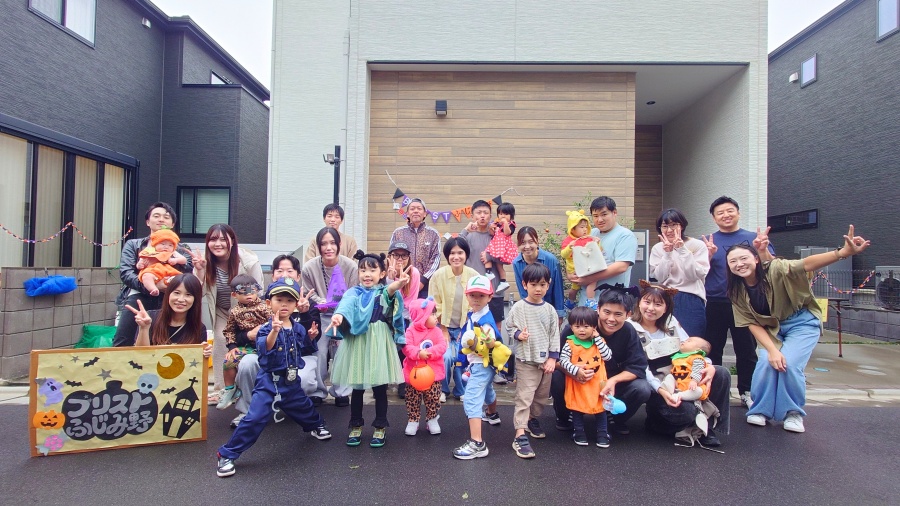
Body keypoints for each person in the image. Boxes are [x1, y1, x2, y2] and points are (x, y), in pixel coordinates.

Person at [727, 226, 869, 434]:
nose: (739, 264)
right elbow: (751, 323)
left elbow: (806, 264)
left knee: (790, 364)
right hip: (771, 328)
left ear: (756, 259)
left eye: (743, 258)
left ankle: (792, 413)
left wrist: (842, 253)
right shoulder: (736, 291)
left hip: (801, 322)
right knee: (766, 362)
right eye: (733, 261)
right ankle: (760, 410)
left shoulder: (775, 268)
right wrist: (772, 350)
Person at [215, 277, 332, 478]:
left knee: (303, 407)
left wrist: (311, 337)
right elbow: (264, 348)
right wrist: (274, 332)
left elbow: (305, 348)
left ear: (296, 305)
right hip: (269, 382)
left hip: (291, 381)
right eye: (279, 300)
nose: (284, 304)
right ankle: (227, 454)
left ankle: (315, 425)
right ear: (269, 303)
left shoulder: (298, 328)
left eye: (289, 300)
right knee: (255, 418)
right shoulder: (266, 328)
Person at [628, 281, 730, 448]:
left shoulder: (671, 322)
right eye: (647, 302)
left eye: (658, 304)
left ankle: (707, 428)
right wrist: (662, 390)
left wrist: (708, 366)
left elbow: (692, 348)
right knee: (687, 412)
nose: (651, 308)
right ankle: (659, 424)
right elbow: (640, 367)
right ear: (639, 302)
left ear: (666, 307)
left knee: (721, 373)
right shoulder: (630, 327)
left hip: (683, 378)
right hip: (658, 385)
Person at [227, 255, 319, 428]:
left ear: (298, 275)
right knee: (247, 363)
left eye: (290, 271)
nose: (284, 274)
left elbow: (312, 340)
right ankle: (248, 411)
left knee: (305, 380)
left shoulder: (308, 304)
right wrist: (248, 335)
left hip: (298, 357)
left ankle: (292, 408)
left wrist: (305, 314)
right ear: (272, 274)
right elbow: (237, 333)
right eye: (279, 270)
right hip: (267, 356)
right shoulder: (259, 303)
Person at [328, 251, 408, 448]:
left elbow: (390, 292)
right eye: (363, 270)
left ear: (382, 273)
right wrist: (338, 316)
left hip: (379, 341)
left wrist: (398, 284)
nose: (367, 274)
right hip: (358, 342)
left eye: (372, 270)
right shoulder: (353, 293)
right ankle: (356, 425)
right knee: (357, 387)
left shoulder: (382, 292)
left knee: (380, 388)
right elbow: (345, 305)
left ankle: (380, 426)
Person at [701, 196, 774, 409]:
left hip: (745, 302)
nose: (726, 215)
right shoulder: (707, 241)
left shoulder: (754, 238)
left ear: (738, 213)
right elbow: (698, 271)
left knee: (747, 349)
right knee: (713, 349)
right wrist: (707, 255)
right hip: (714, 302)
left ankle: (747, 391)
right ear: (714, 218)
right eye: (720, 213)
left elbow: (771, 266)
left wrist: (763, 249)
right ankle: (713, 392)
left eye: (730, 210)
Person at [191, 224, 264, 406]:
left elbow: (259, 292)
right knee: (220, 338)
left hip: (248, 311)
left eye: (223, 239)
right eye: (213, 239)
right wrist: (199, 271)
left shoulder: (248, 262)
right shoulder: (205, 263)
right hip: (223, 311)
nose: (218, 244)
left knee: (248, 345)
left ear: (232, 241)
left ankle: (249, 387)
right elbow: (197, 293)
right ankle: (222, 390)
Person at [113, 202, 193, 347]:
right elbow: (126, 273)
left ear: (172, 224)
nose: (161, 219)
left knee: (164, 341)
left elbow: (188, 270)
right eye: (156, 216)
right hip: (139, 294)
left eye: (166, 217)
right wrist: (151, 286)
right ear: (148, 222)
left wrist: (167, 285)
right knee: (123, 340)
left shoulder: (182, 248)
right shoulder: (134, 244)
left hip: (170, 298)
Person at [505, 264, 560, 459]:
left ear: (548, 285)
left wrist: (553, 358)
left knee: (541, 397)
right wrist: (518, 334)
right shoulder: (519, 307)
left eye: (542, 285)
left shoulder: (550, 310)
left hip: (545, 362)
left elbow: (554, 334)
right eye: (533, 284)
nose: (538, 289)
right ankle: (519, 434)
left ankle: (531, 418)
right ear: (524, 284)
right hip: (526, 360)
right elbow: (509, 327)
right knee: (524, 396)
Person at [301, 227, 358, 406]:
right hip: (320, 315)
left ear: (339, 244)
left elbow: (354, 293)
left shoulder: (350, 266)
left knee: (342, 351)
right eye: (324, 243)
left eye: (332, 243)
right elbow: (309, 293)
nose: (328, 248)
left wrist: (340, 310)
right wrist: (322, 302)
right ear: (318, 246)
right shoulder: (309, 268)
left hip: (344, 314)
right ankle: (318, 391)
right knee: (319, 351)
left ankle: (342, 392)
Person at [452, 275, 506, 460]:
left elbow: (491, 342)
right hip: (482, 364)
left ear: (490, 297)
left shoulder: (485, 322)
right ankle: (492, 414)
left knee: (471, 399)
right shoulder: (476, 314)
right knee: (487, 389)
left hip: (482, 364)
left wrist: (483, 341)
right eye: (472, 295)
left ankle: (477, 444)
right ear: (467, 296)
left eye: (481, 295)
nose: (476, 299)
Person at [460, 199, 511, 383]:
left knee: (495, 330)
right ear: (472, 215)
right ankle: (470, 367)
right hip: (472, 291)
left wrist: (490, 254)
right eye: (478, 212)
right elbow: (455, 250)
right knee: (470, 329)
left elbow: (505, 255)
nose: (482, 216)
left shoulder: (496, 234)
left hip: (494, 290)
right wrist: (465, 230)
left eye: (485, 213)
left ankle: (497, 368)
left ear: (491, 215)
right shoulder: (468, 236)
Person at [429, 237, 479, 402]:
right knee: (445, 357)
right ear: (447, 256)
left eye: (460, 253)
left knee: (461, 356)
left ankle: (461, 390)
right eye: (452, 253)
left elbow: (477, 304)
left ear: (466, 255)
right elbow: (435, 305)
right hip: (442, 326)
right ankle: (442, 389)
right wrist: (443, 330)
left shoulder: (474, 276)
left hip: (465, 327)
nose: (456, 257)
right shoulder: (438, 276)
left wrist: (466, 330)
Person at [648, 208, 709, 337]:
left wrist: (682, 249)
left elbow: (694, 275)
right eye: (665, 226)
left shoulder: (697, 245)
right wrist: (667, 254)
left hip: (691, 297)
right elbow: (659, 277)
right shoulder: (658, 248)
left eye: (674, 225)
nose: (669, 230)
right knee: (666, 338)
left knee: (692, 339)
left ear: (682, 225)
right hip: (666, 296)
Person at [558, 307, 613, 447]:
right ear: (571, 327)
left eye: (586, 326)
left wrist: (597, 339)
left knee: (600, 409)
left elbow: (607, 356)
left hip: (597, 384)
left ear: (594, 327)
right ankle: (579, 433)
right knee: (577, 408)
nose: (581, 330)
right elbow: (563, 361)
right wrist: (575, 370)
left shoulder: (599, 342)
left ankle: (602, 434)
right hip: (578, 384)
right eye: (577, 326)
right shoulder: (570, 343)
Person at [568, 196, 637, 307]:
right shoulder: (591, 233)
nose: (599, 220)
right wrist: (571, 274)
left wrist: (589, 278)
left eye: (604, 214)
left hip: (612, 302)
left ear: (614, 213)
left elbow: (621, 266)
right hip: (585, 302)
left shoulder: (625, 235)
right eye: (595, 216)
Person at [217, 275, 271, 410]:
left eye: (252, 291)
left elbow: (273, 323)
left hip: (266, 345)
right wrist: (232, 346)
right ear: (234, 295)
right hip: (246, 347)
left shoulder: (265, 307)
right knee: (229, 361)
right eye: (243, 293)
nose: (249, 295)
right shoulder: (234, 312)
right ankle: (230, 389)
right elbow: (229, 330)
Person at [128, 273, 210, 350]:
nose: (181, 299)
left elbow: (197, 358)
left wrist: (204, 353)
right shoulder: (150, 318)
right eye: (177, 293)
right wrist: (144, 328)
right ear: (168, 294)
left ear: (195, 299)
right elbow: (140, 355)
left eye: (188, 295)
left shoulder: (199, 328)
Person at [402, 297, 446, 436]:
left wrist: (430, 352)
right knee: (412, 399)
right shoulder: (410, 331)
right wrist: (418, 353)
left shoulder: (437, 331)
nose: (435, 317)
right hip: (414, 374)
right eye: (432, 314)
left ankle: (432, 419)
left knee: (433, 398)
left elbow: (442, 346)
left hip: (433, 374)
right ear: (422, 316)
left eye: (435, 314)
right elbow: (406, 347)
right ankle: (413, 420)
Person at [386, 241, 421, 399]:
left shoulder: (414, 273)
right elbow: (384, 299)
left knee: (403, 344)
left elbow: (408, 303)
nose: (400, 259)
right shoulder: (383, 273)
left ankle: (403, 381)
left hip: (404, 316)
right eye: (396, 255)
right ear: (390, 256)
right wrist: (391, 281)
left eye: (404, 255)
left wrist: (400, 283)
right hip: (386, 315)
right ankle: (383, 380)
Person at [512, 226, 566, 322]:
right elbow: (523, 291)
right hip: (530, 312)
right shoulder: (517, 263)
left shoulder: (551, 260)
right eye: (523, 243)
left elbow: (557, 289)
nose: (527, 246)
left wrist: (559, 315)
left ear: (537, 241)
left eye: (531, 242)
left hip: (550, 310)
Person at [390, 198, 441, 298]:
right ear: (407, 214)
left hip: (425, 285)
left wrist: (423, 281)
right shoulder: (398, 233)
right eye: (412, 209)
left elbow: (436, 259)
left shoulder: (433, 234)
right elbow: (391, 256)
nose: (416, 211)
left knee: (423, 308)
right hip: (401, 282)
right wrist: (396, 277)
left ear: (425, 213)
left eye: (419, 208)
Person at [560, 209, 600, 307]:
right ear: (572, 229)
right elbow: (563, 255)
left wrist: (596, 244)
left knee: (588, 283)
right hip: (575, 269)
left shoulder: (589, 239)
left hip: (586, 266)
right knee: (577, 287)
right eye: (582, 227)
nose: (585, 229)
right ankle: (572, 301)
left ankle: (588, 300)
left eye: (586, 227)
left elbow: (596, 252)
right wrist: (569, 247)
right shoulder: (568, 241)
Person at [136, 228, 187, 297]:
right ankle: (153, 289)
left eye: (170, 245)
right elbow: (141, 260)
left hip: (168, 272)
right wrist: (139, 265)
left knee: (177, 279)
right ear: (155, 244)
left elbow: (184, 260)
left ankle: (174, 290)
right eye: (163, 244)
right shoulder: (149, 251)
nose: (166, 247)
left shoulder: (172, 253)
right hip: (153, 271)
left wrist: (176, 260)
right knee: (146, 276)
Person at [483, 202, 518, 278]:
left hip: (503, 247)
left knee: (499, 265)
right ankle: (488, 272)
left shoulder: (511, 224)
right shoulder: (498, 223)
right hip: (495, 246)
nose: (503, 216)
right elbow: (492, 234)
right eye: (501, 214)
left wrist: (505, 223)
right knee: (486, 255)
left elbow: (507, 233)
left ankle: (503, 280)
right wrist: (490, 228)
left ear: (511, 215)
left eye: (506, 214)